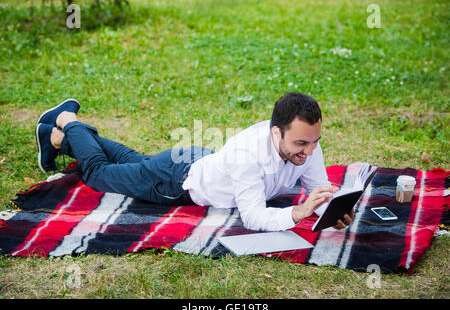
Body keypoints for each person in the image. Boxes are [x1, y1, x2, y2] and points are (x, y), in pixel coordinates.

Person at [35, 92, 354, 232]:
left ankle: (58, 139)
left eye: (315, 142)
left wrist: (330, 209)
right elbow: (253, 217)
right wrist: (298, 212)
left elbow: (318, 188)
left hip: (197, 161)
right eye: (301, 143)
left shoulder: (307, 143)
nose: (310, 152)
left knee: (132, 161)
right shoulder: (249, 155)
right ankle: (68, 120)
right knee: (98, 172)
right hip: (173, 183)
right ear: (276, 133)